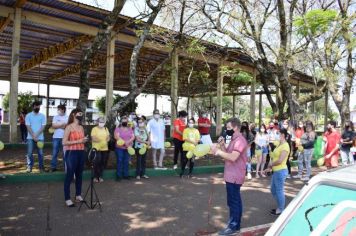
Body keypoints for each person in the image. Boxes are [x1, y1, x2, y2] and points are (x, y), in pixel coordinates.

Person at [212, 117, 247, 236]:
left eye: (228, 128)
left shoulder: (240, 140)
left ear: (235, 128)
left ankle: (233, 226)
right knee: (234, 201)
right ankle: (235, 225)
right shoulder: (232, 139)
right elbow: (227, 154)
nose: (226, 130)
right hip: (230, 174)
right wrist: (222, 146)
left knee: (234, 201)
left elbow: (232, 157)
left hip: (235, 175)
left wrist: (217, 151)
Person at [62, 108, 88, 207]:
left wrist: (84, 140)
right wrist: (79, 141)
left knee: (79, 175)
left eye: (82, 113)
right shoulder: (69, 127)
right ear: (73, 114)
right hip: (71, 153)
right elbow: (64, 142)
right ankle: (67, 198)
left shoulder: (81, 127)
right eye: (79, 113)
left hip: (81, 152)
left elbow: (82, 140)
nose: (81, 115)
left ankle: (78, 195)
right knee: (69, 175)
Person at [267, 128, 290, 216]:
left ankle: (281, 209)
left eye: (278, 134)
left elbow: (280, 160)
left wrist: (270, 165)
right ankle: (281, 205)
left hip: (281, 171)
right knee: (273, 190)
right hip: (276, 171)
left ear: (283, 135)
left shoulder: (285, 146)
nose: (276, 135)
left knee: (279, 190)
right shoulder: (279, 144)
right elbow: (273, 155)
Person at [25, 101, 46, 173]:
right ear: (33, 106)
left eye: (39, 106)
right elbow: (28, 126)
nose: (38, 107)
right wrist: (33, 136)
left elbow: (43, 127)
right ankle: (29, 167)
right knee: (29, 153)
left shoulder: (43, 116)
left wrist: (36, 135)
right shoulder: (28, 115)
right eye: (36, 106)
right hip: (30, 138)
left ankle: (41, 167)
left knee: (41, 153)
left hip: (40, 138)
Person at [114, 116, 135, 180]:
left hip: (128, 148)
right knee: (120, 161)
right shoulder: (118, 129)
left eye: (126, 121)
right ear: (121, 121)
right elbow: (116, 137)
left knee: (126, 161)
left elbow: (133, 137)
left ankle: (126, 175)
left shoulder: (130, 129)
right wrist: (124, 142)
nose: (124, 122)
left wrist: (128, 142)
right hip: (119, 148)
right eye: (123, 120)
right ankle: (118, 176)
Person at [91, 117, 110, 183]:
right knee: (96, 163)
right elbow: (93, 138)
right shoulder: (94, 129)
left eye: (103, 122)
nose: (101, 123)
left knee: (102, 162)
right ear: (97, 122)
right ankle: (95, 177)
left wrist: (107, 139)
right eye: (100, 122)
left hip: (104, 148)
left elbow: (108, 136)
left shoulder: (106, 128)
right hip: (96, 148)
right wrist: (101, 141)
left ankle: (100, 176)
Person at [50, 104, 68, 172]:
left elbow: (67, 127)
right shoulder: (55, 117)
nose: (58, 111)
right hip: (56, 137)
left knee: (65, 153)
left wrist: (58, 125)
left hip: (64, 138)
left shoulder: (67, 117)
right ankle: (53, 167)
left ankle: (65, 167)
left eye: (59, 109)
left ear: (63, 110)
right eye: (58, 109)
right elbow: (53, 126)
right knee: (54, 153)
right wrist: (62, 125)